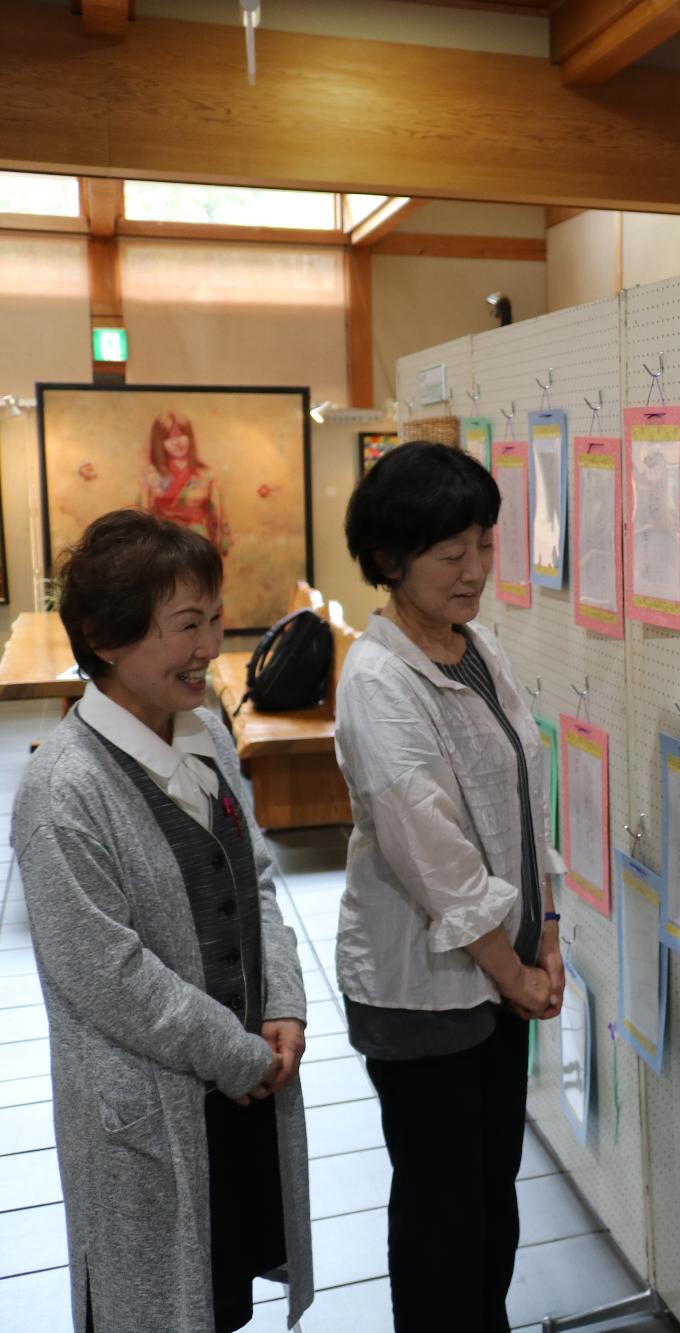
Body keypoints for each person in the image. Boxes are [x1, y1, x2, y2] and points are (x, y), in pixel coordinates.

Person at [13, 510, 314, 1333]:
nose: (210, 645)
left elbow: (252, 875)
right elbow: (111, 976)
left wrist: (282, 999)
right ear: (108, 639)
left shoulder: (204, 729)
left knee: (218, 1297)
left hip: (238, 1085)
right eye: (187, 625)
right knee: (154, 1300)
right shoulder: (63, 792)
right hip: (155, 1108)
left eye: (214, 619)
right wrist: (236, 1052)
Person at [335, 443, 564, 1332]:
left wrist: (544, 932)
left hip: (502, 964)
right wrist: (516, 974)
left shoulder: (480, 650)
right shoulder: (380, 680)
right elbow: (433, 855)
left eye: (483, 543)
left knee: (491, 1190)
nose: (474, 569)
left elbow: (523, 793)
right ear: (392, 560)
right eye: (449, 552)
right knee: (441, 1206)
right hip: (424, 988)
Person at [137, 410, 232, 555]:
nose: (177, 442)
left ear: (190, 437)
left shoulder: (206, 474)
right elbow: (142, 512)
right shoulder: (151, 474)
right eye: (169, 438)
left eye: (182, 435)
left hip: (197, 541)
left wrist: (220, 543)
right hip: (162, 545)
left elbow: (217, 514)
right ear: (160, 443)